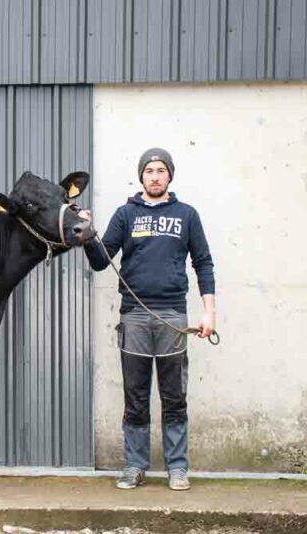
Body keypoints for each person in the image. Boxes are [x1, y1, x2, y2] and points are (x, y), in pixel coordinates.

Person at [83, 147, 215, 491]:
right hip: (135, 318)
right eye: (149, 171)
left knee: (174, 397)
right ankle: (135, 466)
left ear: (170, 175)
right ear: (141, 176)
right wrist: (87, 234)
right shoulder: (126, 215)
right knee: (136, 396)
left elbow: (203, 264)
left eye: (161, 170)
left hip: (173, 315)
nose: (155, 176)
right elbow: (100, 260)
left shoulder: (187, 215)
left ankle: (178, 468)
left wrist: (209, 314)